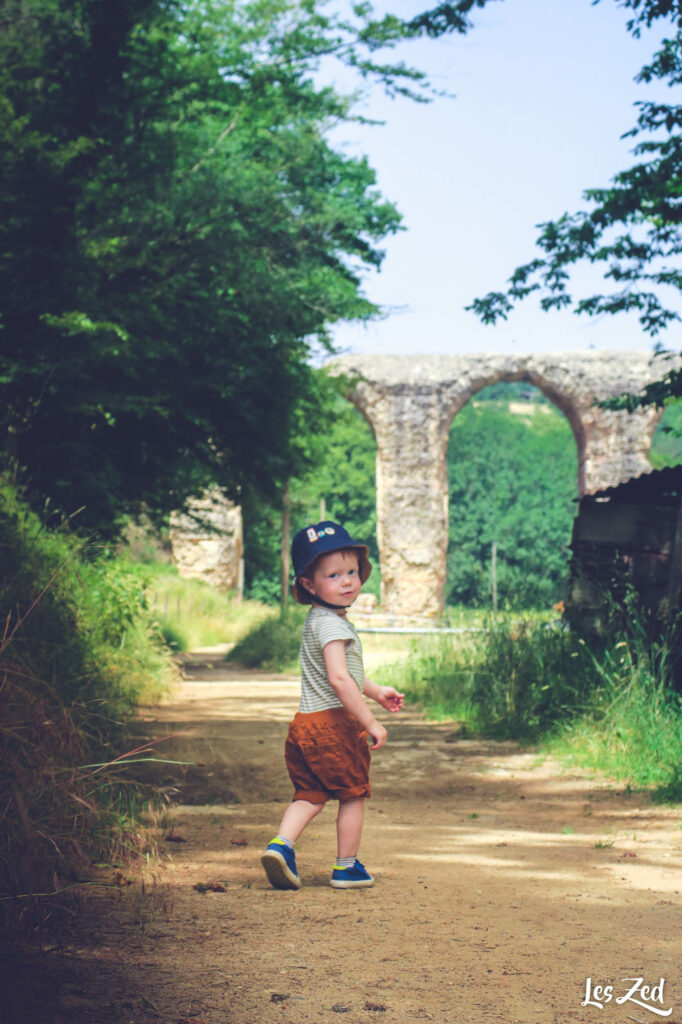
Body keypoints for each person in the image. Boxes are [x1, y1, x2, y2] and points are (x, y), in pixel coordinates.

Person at [261, 520, 404, 891]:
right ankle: (346, 866)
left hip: (304, 726)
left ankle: (281, 845)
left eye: (353, 572)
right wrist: (370, 721)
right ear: (309, 585)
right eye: (334, 575)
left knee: (310, 795)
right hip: (334, 727)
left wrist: (376, 690)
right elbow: (340, 681)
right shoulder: (334, 626)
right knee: (353, 793)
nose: (347, 581)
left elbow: (343, 676)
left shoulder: (318, 622)